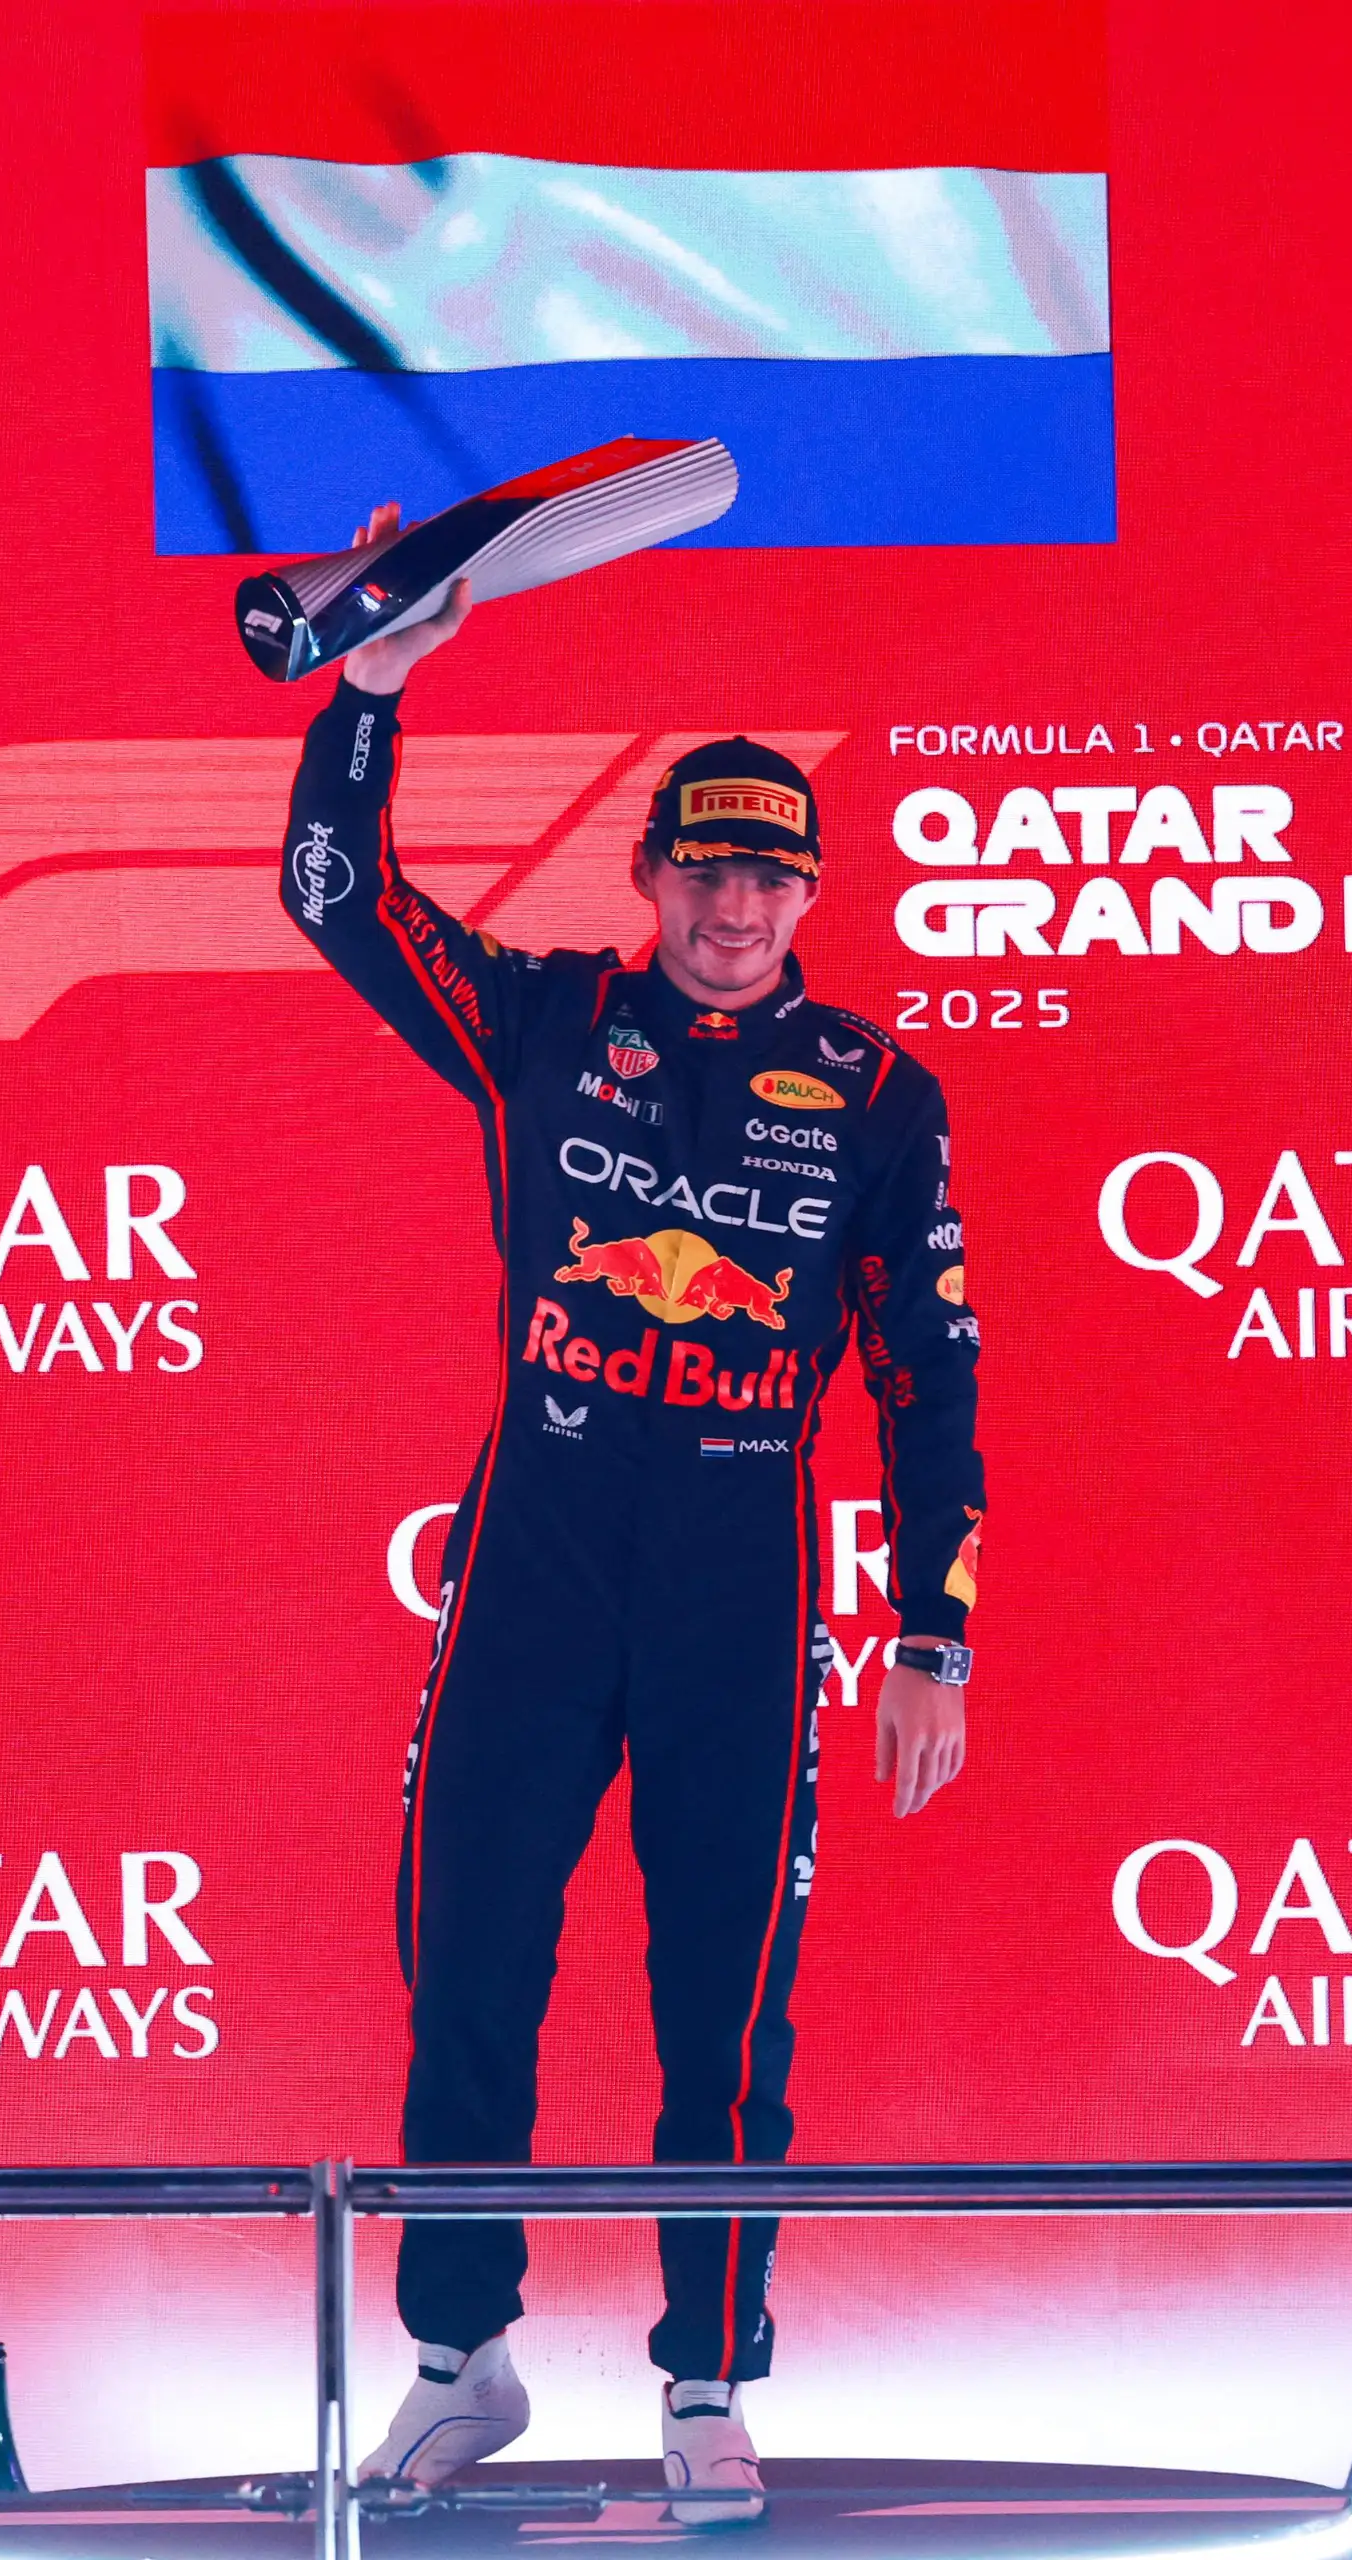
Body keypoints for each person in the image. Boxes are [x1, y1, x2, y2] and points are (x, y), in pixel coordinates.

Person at [282, 526, 985, 2526]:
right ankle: (458, 2349)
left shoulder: (876, 1093)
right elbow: (330, 892)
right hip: (542, 1522)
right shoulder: (536, 1014)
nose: (738, 902)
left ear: (811, 897)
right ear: (649, 874)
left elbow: (930, 1367)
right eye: (707, 866)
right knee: (471, 1945)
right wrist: (368, 688)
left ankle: (707, 2373)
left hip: (739, 1563)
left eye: (775, 874)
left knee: (726, 1979)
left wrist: (933, 1629)